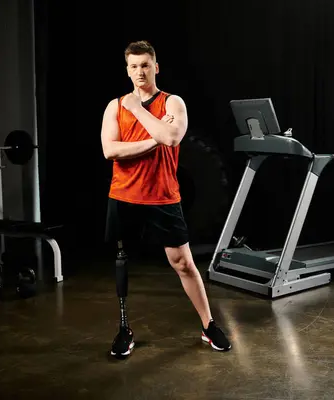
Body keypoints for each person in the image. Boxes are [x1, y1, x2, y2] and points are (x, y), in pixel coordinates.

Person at [100, 40, 231, 357]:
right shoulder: (114, 106)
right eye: (133, 66)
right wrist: (153, 139)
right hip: (124, 195)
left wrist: (138, 111)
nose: (139, 71)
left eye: (145, 65)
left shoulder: (173, 103)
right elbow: (110, 151)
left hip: (163, 196)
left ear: (155, 67)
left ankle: (208, 325)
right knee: (121, 262)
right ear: (127, 69)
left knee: (183, 263)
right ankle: (124, 329)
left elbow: (172, 137)